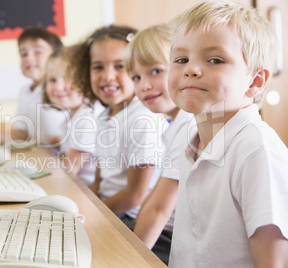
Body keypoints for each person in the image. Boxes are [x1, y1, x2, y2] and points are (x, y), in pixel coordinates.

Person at [167, 1, 288, 267]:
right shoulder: (192, 140)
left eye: (215, 60)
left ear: (255, 81)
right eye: (181, 59)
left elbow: (273, 261)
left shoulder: (256, 150)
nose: (191, 69)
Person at [71, 25, 168, 229]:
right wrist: (81, 213)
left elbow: (135, 196)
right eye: (98, 67)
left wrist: (91, 219)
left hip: (132, 220)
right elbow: (99, 181)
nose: (107, 76)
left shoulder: (143, 118)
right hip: (109, 211)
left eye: (119, 66)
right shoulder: (104, 116)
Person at [123, 23, 194, 265]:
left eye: (155, 71)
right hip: (169, 233)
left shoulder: (189, 124)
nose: (144, 85)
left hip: (177, 238)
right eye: (136, 77)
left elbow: (159, 210)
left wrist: (127, 260)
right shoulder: (174, 123)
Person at [0, 27, 65, 146]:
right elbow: (22, 133)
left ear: (57, 56)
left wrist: (68, 139)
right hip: (44, 153)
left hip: (68, 155)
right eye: (23, 54)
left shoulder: (62, 89)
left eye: (37, 52)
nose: (29, 58)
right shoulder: (25, 92)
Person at [42, 46, 105, 186]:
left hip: (88, 193)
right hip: (77, 187)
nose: (58, 87)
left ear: (86, 80)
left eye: (67, 79)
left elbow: (69, 169)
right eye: (52, 80)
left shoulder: (87, 117)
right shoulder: (72, 115)